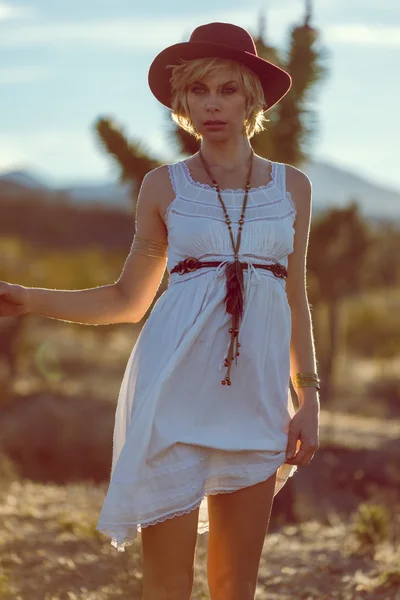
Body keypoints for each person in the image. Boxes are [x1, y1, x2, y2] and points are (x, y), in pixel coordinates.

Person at [0, 21, 320, 600]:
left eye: (226, 89)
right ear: (182, 102)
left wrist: (310, 396)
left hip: (257, 401)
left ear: (251, 98)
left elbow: (294, 295)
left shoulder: (292, 188)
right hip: (171, 395)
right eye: (198, 91)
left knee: (233, 587)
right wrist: (25, 298)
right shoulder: (163, 186)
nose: (211, 104)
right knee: (166, 587)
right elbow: (127, 300)